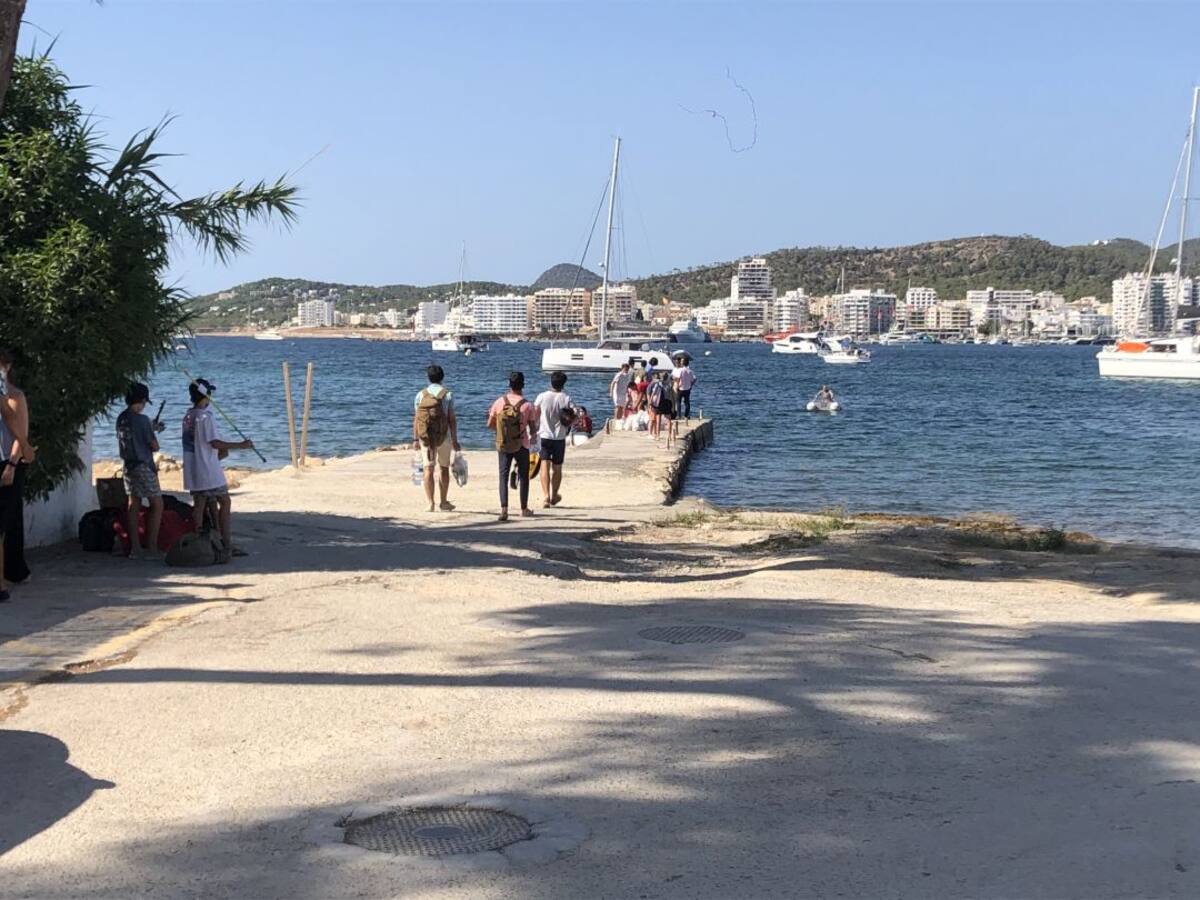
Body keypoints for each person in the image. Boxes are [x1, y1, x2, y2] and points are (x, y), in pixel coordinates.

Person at [181, 378, 255, 563]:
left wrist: (221, 452)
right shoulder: (206, 417)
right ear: (206, 395)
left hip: (194, 468)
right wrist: (241, 445)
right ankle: (226, 544)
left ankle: (200, 543)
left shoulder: (188, 416)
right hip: (208, 471)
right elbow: (214, 443)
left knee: (199, 505)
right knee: (225, 501)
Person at [0, 348, 35, 601]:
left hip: (8, 462)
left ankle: (10, 574)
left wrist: (12, 464)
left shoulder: (15, 396)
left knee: (7, 519)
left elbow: (19, 434)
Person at [116, 382, 166, 559]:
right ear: (143, 400)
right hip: (144, 466)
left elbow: (134, 433)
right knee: (157, 504)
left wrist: (150, 428)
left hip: (128, 467)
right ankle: (151, 548)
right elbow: (154, 446)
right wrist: (152, 430)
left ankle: (135, 548)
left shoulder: (121, 418)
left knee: (134, 504)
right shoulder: (143, 420)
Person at [486, 371, 538, 522]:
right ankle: (524, 508)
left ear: (509, 385)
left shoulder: (499, 402)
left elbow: (489, 424)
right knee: (524, 476)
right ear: (523, 385)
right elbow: (533, 429)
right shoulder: (527, 405)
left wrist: (502, 431)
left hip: (503, 443)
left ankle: (504, 509)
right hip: (522, 444)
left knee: (503, 475)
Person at [412, 364, 461, 512]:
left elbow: (417, 419)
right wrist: (454, 439)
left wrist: (415, 439)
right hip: (443, 437)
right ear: (442, 377)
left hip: (426, 438)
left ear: (428, 378)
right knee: (444, 468)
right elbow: (451, 419)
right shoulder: (447, 395)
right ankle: (444, 501)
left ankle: (430, 503)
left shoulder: (420, 395)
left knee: (428, 469)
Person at [534, 370, 574, 508]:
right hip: (559, 437)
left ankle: (545, 496)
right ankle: (554, 494)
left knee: (544, 465)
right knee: (557, 468)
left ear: (551, 382)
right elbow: (574, 416)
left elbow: (535, 415)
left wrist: (533, 431)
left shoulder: (542, 397)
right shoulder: (566, 398)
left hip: (544, 435)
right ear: (563, 384)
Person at [647, 371, 674, 438]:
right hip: (668, 402)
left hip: (660, 402)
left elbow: (653, 393)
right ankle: (669, 435)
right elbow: (672, 395)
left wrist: (650, 402)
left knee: (658, 419)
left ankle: (658, 435)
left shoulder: (658, 384)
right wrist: (673, 404)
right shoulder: (670, 385)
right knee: (668, 420)